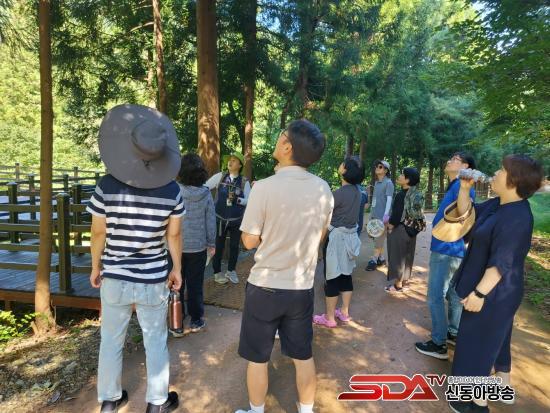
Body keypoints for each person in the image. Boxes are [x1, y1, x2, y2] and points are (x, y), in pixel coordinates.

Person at [87, 104, 183, 413]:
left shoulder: (106, 186)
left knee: (111, 340)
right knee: (155, 340)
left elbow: (98, 233)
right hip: (153, 278)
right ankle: (157, 403)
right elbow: (174, 236)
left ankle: (109, 400)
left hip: (114, 275)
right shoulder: (172, 190)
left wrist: (96, 266)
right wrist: (177, 269)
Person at [234, 120, 333, 413]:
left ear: (287, 147)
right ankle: (306, 410)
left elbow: (249, 241)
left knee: (257, 357)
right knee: (303, 356)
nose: (278, 140)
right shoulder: (323, 188)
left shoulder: (264, 188)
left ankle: (255, 411)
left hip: (264, 286)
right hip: (301, 287)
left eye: (281, 136)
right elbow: (321, 235)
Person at [448, 155, 543, 413]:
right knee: (492, 340)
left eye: (502, 170)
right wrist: (464, 189)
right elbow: (467, 216)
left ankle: (473, 402)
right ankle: (499, 383)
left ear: (514, 180)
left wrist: (479, 294)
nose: (496, 173)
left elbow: (502, 263)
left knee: (476, 345)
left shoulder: (518, 217)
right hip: (492, 288)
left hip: (494, 293)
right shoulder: (499, 204)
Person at [415, 152, 476, 360]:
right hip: (452, 249)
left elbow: (465, 214)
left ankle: (438, 343)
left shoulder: (462, 186)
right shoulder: (456, 186)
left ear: (466, 167)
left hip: (446, 250)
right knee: (452, 293)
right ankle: (453, 332)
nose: (449, 160)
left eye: (455, 159)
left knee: (435, 296)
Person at [313, 156, 364, 327]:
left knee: (332, 277)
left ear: (345, 171)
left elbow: (323, 215)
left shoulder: (338, 194)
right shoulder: (358, 192)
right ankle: (344, 312)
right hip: (351, 238)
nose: (340, 164)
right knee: (346, 275)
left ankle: (329, 318)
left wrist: (319, 241)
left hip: (336, 239)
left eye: (343, 164)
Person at [170, 153, 216, 337]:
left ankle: (177, 322)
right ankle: (196, 320)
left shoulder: (174, 190)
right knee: (195, 285)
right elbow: (210, 220)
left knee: (176, 284)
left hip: (175, 246)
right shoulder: (205, 193)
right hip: (198, 247)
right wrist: (211, 243)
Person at [205, 152, 251, 284]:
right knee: (218, 246)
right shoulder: (220, 176)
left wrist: (238, 200)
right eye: (230, 160)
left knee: (234, 246)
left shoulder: (244, 182)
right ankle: (217, 273)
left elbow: (249, 200)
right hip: (220, 219)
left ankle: (231, 271)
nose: (230, 162)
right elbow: (205, 187)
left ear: (240, 165)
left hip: (236, 220)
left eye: (234, 160)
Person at [385, 167, 425, 293]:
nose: (400, 176)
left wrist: (389, 227)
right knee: (408, 255)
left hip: (400, 230)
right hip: (412, 229)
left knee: (397, 257)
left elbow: (396, 216)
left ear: (407, 180)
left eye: (402, 175)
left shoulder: (401, 195)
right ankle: (405, 282)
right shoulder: (415, 194)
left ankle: (398, 285)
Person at [365, 160, 394, 271]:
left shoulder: (389, 183)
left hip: (382, 217)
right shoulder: (377, 183)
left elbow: (389, 200)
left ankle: (374, 259)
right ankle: (381, 258)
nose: (377, 168)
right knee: (375, 237)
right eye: (377, 166)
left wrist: (386, 215)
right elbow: (375, 199)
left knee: (379, 238)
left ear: (386, 170)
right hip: (374, 214)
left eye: (380, 167)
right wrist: (371, 213)